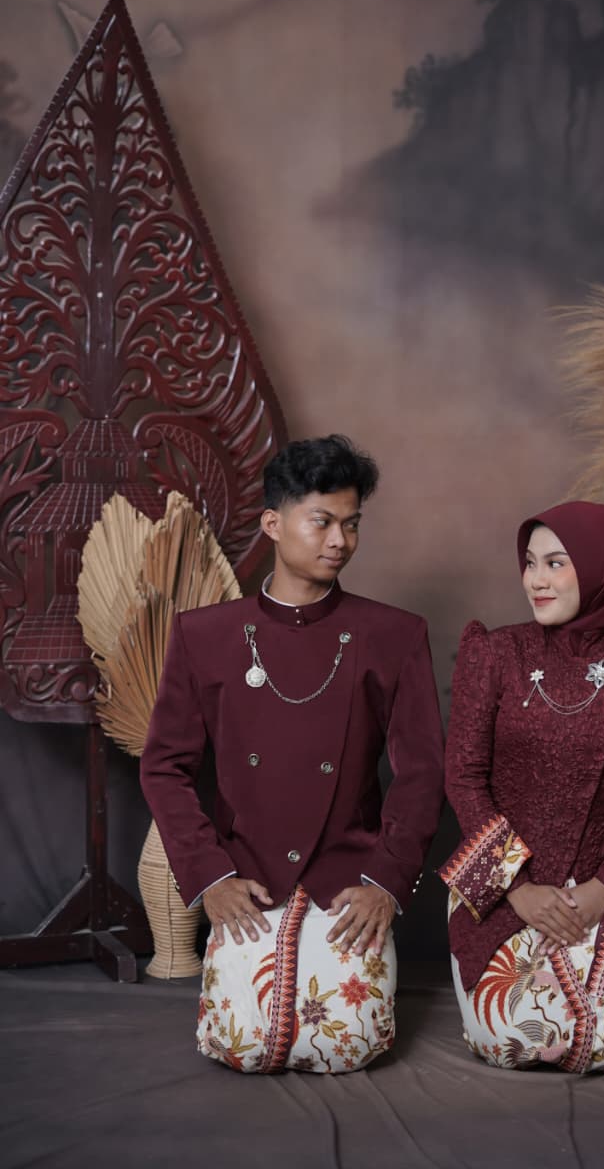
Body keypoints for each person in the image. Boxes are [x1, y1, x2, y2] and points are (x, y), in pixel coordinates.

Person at [141, 434, 445, 1074]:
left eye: (352, 524)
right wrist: (210, 877)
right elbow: (164, 767)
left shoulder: (394, 635)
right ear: (273, 524)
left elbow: (423, 774)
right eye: (322, 521)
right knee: (240, 1044)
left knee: (348, 1045)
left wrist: (386, 883)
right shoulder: (205, 635)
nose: (340, 540)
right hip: (246, 880)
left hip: (349, 881)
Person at [440, 488, 604, 1073]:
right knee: (512, 1038)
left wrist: (602, 888)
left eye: (556, 563)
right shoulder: (495, 653)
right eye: (530, 563)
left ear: (601, 566)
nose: (536, 580)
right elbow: (463, 777)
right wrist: (518, 888)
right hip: (505, 889)